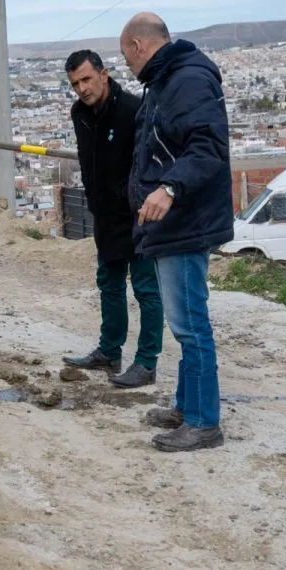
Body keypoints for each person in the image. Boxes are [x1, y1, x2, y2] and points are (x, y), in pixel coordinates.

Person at [120, 13, 234, 452]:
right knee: (184, 321)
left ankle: (204, 423)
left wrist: (169, 189)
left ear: (138, 46)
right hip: (177, 221)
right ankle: (188, 408)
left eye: (126, 57)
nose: (129, 66)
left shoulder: (186, 80)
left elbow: (207, 146)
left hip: (185, 221)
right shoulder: (169, 79)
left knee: (190, 325)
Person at [61, 50, 163, 388]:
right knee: (109, 283)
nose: (82, 88)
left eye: (87, 79)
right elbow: (87, 160)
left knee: (146, 289)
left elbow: (150, 162)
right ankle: (109, 352)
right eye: (75, 83)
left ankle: (146, 363)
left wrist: (137, 201)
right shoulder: (79, 113)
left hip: (138, 215)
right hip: (104, 214)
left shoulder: (133, 109)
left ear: (104, 74)